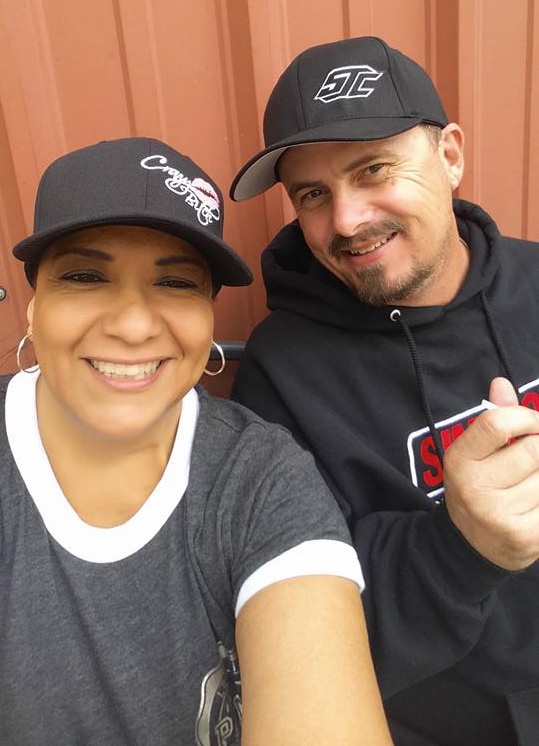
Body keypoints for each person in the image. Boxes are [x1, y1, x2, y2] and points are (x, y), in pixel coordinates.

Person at [0, 137, 394, 746]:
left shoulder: (261, 478)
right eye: (84, 276)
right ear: (33, 307)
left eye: (176, 283)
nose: (134, 325)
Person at [230, 36, 539, 746]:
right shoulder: (282, 375)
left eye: (372, 169)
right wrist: (461, 544)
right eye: (312, 194)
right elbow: (304, 624)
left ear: (450, 156)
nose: (346, 221)